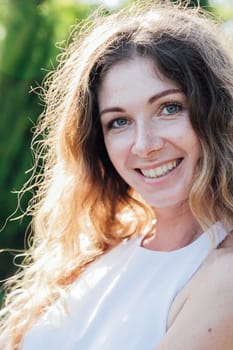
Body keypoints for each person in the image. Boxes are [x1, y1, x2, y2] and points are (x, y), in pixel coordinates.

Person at [1, 1, 233, 349]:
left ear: (216, 113)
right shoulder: (102, 249)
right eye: (119, 122)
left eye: (169, 108)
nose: (145, 145)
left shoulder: (223, 277)